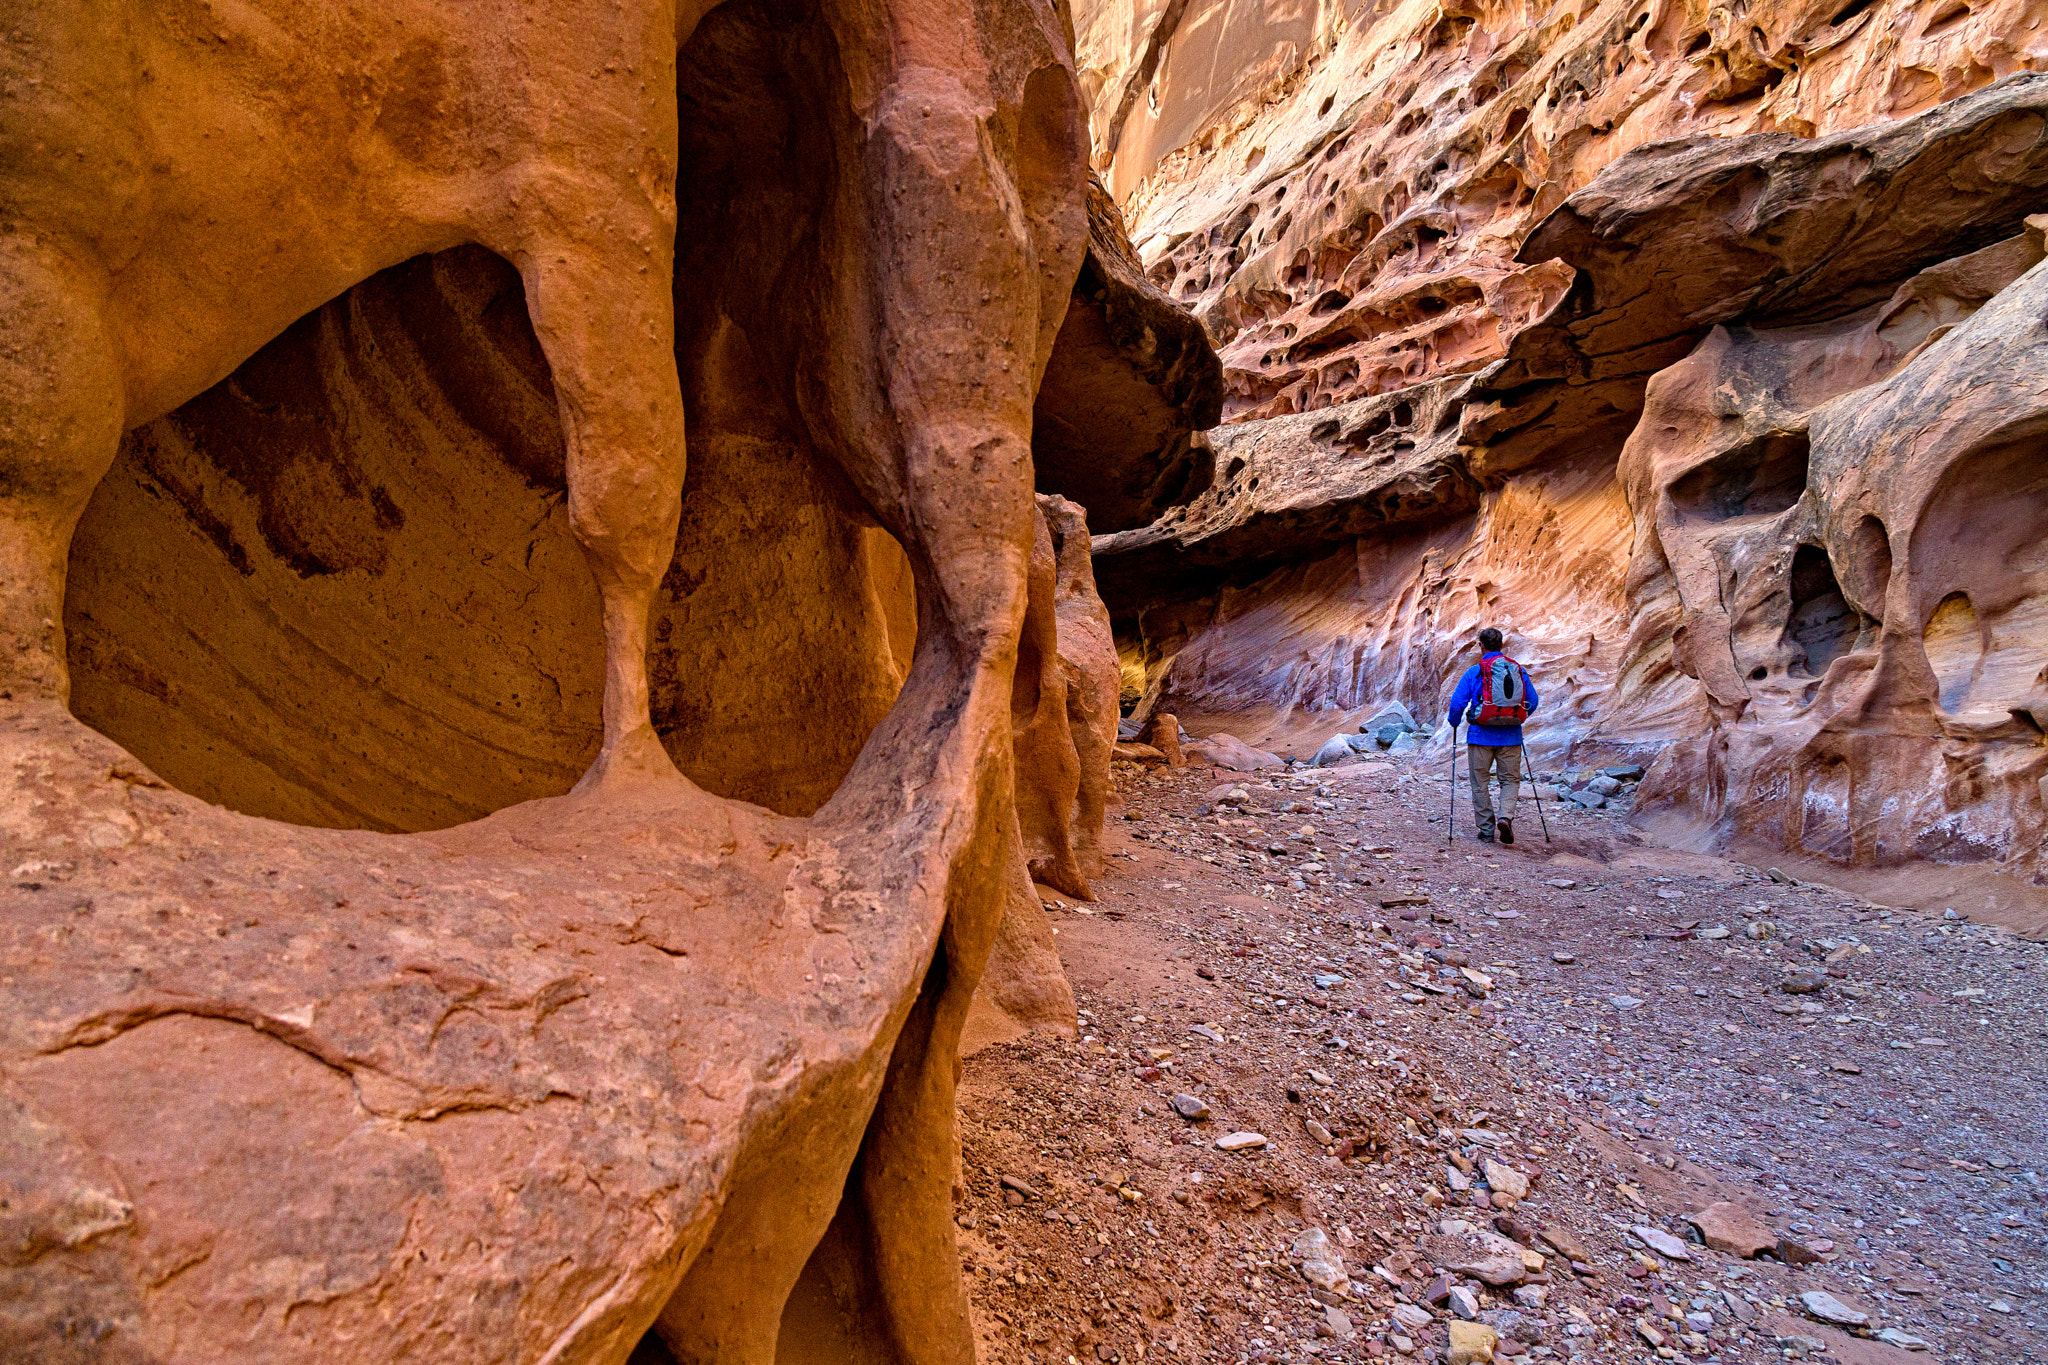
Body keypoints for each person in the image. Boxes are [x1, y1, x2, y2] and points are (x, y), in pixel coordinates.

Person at [1446, 627, 1538, 844]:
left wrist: (1454, 722)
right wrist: (1516, 717)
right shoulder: (1518, 670)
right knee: (1510, 780)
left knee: (1480, 782)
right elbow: (1532, 700)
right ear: (1501, 645)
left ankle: (1486, 830)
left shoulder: (1475, 672)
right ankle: (1505, 817)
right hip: (1511, 736)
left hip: (1480, 735)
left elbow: (1457, 702)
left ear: (1482, 645)